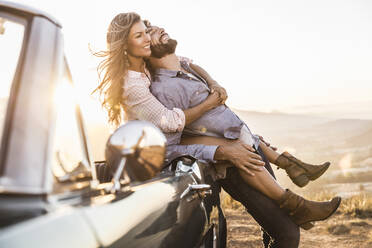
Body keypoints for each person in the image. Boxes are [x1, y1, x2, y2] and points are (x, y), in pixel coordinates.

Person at [95, 13, 340, 248]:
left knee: (280, 228)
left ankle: (292, 183)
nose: (148, 38)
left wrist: (213, 84)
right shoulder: (146, 86)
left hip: (228, 145)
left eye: (146, 32)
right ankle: (297, 202)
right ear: (126, 46)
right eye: (140, 35)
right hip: (170, 160)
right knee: (287, 233)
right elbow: (171, 129)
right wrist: (221, 148)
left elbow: (188, 63)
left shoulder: (155, 69)